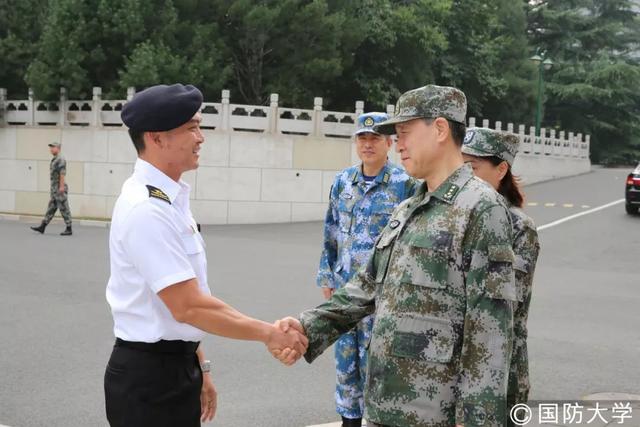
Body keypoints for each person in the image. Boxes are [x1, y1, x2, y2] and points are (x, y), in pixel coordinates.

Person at [275, 85, 517, 427]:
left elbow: (490, 332)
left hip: (435, 414)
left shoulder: (481, 208)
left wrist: (477, 418)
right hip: (384, 406)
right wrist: (306, 327)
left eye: (404, 133)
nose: (398, 144)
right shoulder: (407, 208)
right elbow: (365, 288)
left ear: (440, 129)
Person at [104, 84, 307, 427]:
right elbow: (189, 306)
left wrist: (201, 368)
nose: (201, 138)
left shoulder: (169, 201)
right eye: (191, 128)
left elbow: (187, 303)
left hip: (173, 370)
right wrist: (270, 334)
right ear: (157, 138)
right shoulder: (146, 209)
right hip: (149, 383)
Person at [318, 112, 419, 427]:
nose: (368, 144)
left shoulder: (406, 185)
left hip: (383, 293)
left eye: (375, 138)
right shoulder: (343, 181)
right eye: (362, 138)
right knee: (346, 364)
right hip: (346, 292)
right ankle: (350, 420)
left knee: (378, 363)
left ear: (389, 143)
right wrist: (327, 274)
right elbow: (332, 230)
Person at [461, 127, 540, 425]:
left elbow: (501, 303)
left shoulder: (519, 227)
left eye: (473, 167)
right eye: (461, 167)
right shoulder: (457, 215)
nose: (465, 176)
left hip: (500, 367)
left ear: (501, 169)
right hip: (455, 366)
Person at [30, 141, 73, 235]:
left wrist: (61, 187)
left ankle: (69, 228)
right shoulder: (55, 159)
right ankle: (43, 226)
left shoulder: (60, 159)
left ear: (58, 148)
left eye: (53, 147)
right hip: (55, 189)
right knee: (51, 208)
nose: (51, 149)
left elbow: (62, 173)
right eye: (50, 147)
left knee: (64, 208)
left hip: (59, 188)